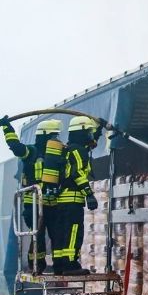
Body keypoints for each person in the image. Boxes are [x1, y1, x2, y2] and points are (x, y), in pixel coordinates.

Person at [0, 116, 62, 274]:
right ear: (45, 136)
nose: (56, 139)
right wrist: (7, 128)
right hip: (33, 204)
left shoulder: (57, 154)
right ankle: (36, 265)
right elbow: (15, 146)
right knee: (38, 236)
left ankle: (60, 266)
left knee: (57, 235)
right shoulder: (31, 152)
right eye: (54, 136)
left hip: (52, 203)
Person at [44, 115, 101, 275]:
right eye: (89, 132)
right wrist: (88, 194)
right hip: (73, 199)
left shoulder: (70, 149)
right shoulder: (79, 151)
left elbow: (91, 144)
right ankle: (70, 264)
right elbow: (77, 173)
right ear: (82, 132)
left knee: (61, 233)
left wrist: (99, 129)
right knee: (74, 232)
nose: (90, 135)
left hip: (61, 200)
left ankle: (60, 265)